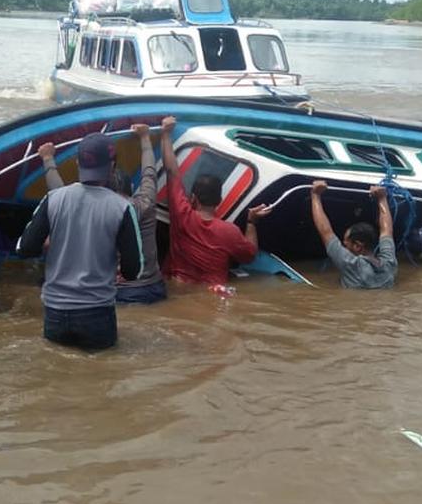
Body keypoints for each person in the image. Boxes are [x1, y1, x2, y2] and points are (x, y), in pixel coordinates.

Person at [15, 132, 143, 351]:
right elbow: (134, 271)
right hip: (97, 313)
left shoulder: (54, 199)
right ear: (112, 166)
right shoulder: (122, 208)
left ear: (77, 163)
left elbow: (24, 248)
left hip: (55, 311)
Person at [37, 124, 167, 304]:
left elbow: (60, 192)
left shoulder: (101, 209)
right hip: (153, 289)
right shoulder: (144, 203)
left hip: (116, 293)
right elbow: (149, 173)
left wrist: (48, 159)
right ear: (130, 189)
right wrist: (145, 139)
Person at [159, 116, 271, 285]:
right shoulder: (230, 232)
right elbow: (249, 256)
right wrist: (251, 223)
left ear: (193, 198)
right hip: (212, 292)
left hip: (178, 283)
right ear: (219, 200)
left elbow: (172, 171)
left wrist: (166, 134)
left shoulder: (183, 216)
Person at [310, 179, 397, 289]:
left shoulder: (351, 265)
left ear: (357, 246)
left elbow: (325, 232)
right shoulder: (389, 263)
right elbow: (387, 230)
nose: (343, 246)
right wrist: (382, 198)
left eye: (346, 244)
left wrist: (315, 195)